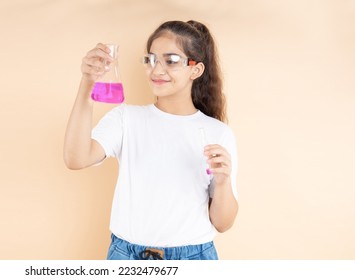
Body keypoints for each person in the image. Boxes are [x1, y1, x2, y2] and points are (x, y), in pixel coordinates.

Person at [63, 20, 238, 260]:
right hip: (127, 256)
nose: (156, 70)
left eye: (171, 61)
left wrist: (222, 182)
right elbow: (76, 158)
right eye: (151, 59)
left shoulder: (217, 133)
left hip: (194, 258)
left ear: (195, 70)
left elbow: (222, 223)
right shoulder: (126, 118)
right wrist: (87, 83)